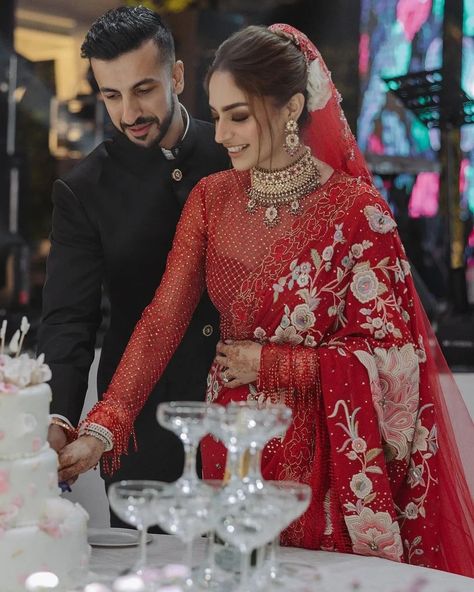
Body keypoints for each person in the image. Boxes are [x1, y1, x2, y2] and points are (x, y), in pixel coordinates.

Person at [57, 24, 474, 575]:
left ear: (291, 107)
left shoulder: (357, 212)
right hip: (232, 453)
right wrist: (100, 429)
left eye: (239, 115)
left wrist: (275, 364)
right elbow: (163, 319)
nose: (222, 133)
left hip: (327, 460)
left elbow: (395, 358)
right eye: (218, 113)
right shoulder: (212, 199)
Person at [37, 6, 228, 526]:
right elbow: (68, 319)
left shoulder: (234, 151)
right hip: (142, 421)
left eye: (144, 89)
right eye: (111, 95)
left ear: (178, 76)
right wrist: (58, 413)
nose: (129, 113)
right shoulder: (83, 189)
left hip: (242, 409)